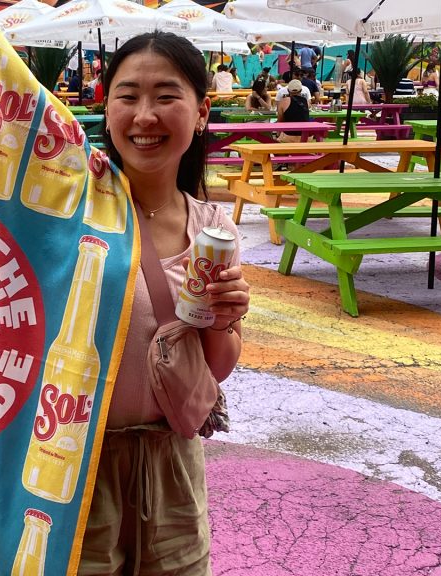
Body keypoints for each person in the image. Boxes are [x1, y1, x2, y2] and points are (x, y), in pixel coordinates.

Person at [90, 30, 249, 575]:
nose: (145, 115)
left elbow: (217, 368)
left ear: (201, 111)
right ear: (105, 107)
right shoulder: (69, 211)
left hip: (173, 461)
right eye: (128, 96)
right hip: (75, 463)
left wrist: (223, 320)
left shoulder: (213, 227)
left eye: (166, 96)